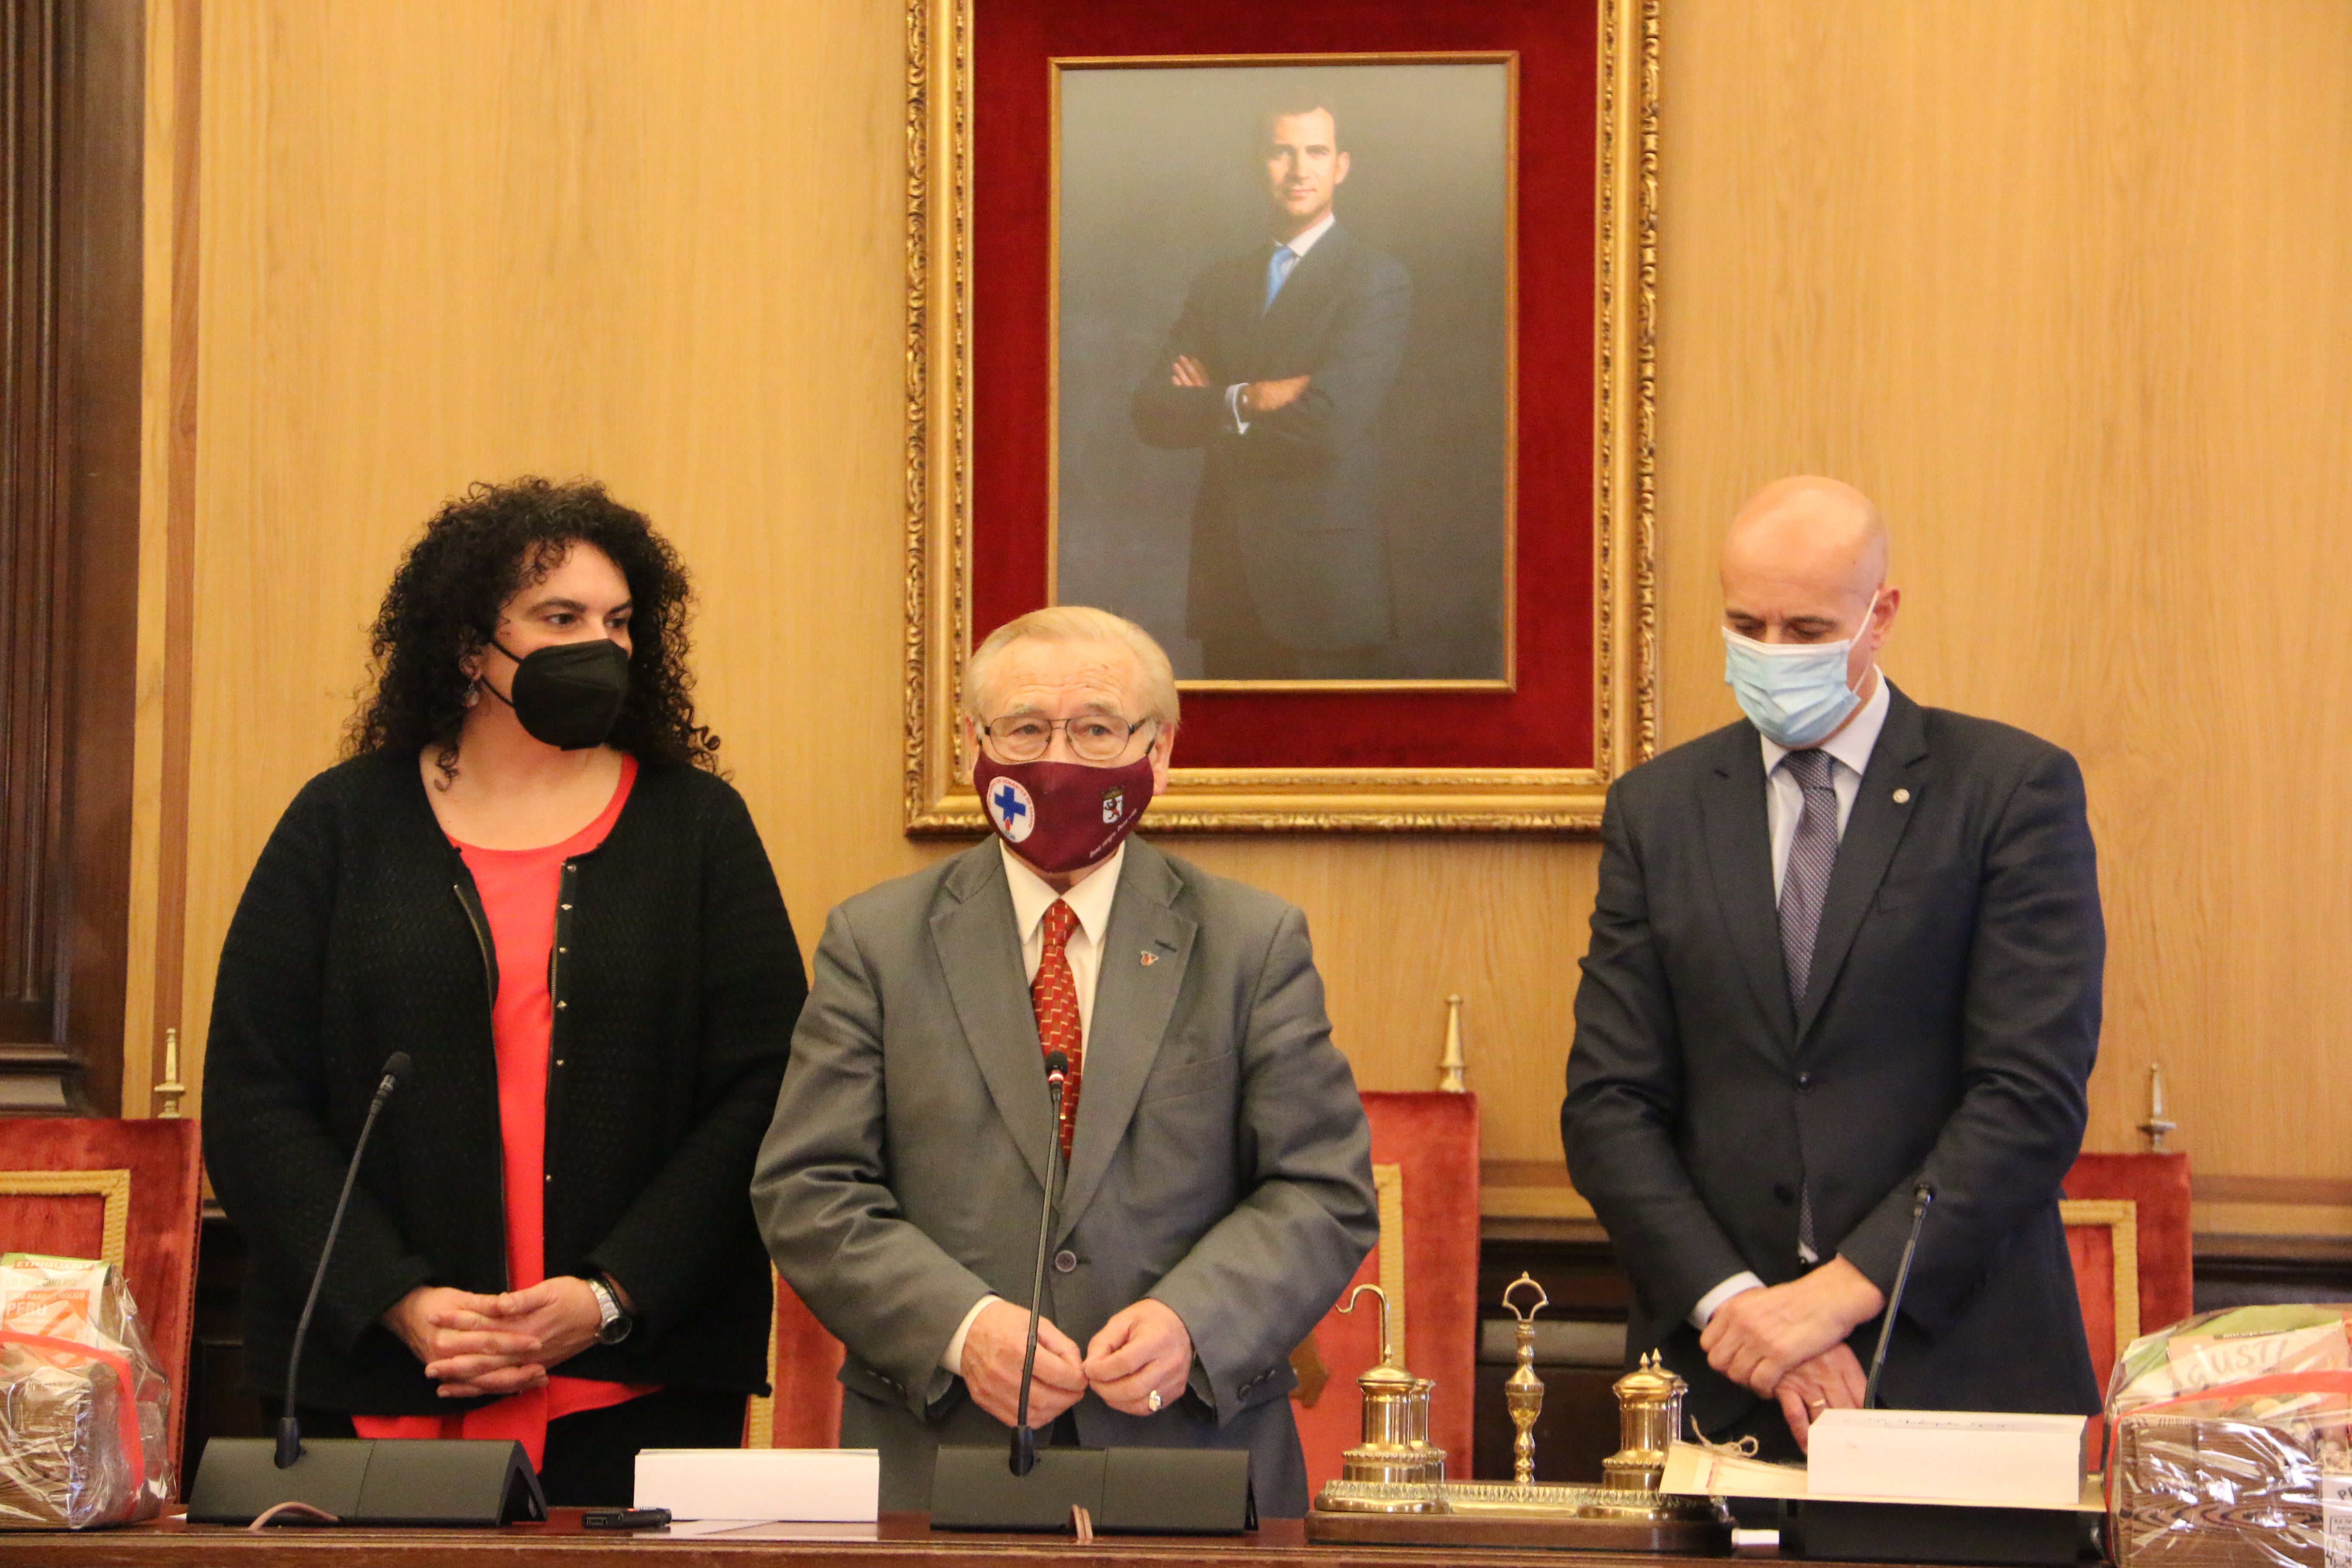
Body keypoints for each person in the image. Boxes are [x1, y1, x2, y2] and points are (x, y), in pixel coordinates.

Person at [202, 478, 806, 1505]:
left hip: (633, 1382)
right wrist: (394, 1298)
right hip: (377, 1373)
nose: (601, 647)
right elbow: (256, 1100)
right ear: (468, 645)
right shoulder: (343, 823)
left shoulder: (698, 827)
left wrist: (607, 1298)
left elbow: (766, 1094)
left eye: (619, 622)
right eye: (560, 619)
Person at [752, 605, 1376, 1515]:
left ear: (1159, 751)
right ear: (975, 743)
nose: (1059, 758)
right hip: (938, 1458)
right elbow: (809, 1189)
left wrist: (1193, 1324)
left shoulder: (1251, 943)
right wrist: (961, 1331)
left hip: (1192, 1453)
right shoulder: (875, 941)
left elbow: (1323, 1189)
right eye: (1025, 728)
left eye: (1095, 729)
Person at [1560, 477, 2104, 1460]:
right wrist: (1749, 1316)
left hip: (1961, 1371)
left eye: (1808, 629)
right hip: (1717, 1383)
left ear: (1880, 615)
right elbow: (1608, 1105)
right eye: (1745, 623)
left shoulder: (2009, 791)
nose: (1772, 653)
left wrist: (1833, 1301)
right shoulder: (1660, 809)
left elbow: (2029, 1096)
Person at [1130, 89, 1411, 680]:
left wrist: (1211, 407)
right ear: (1259, 164)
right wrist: (1248, 398)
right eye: (1282, 152)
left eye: (1316, 151)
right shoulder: (1219, 283)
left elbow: (1330, 425)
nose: (1299, 169)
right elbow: (1152, 411)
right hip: (1228, 579)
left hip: (1326, 588)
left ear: (1342, 165)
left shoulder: (1374, 281)